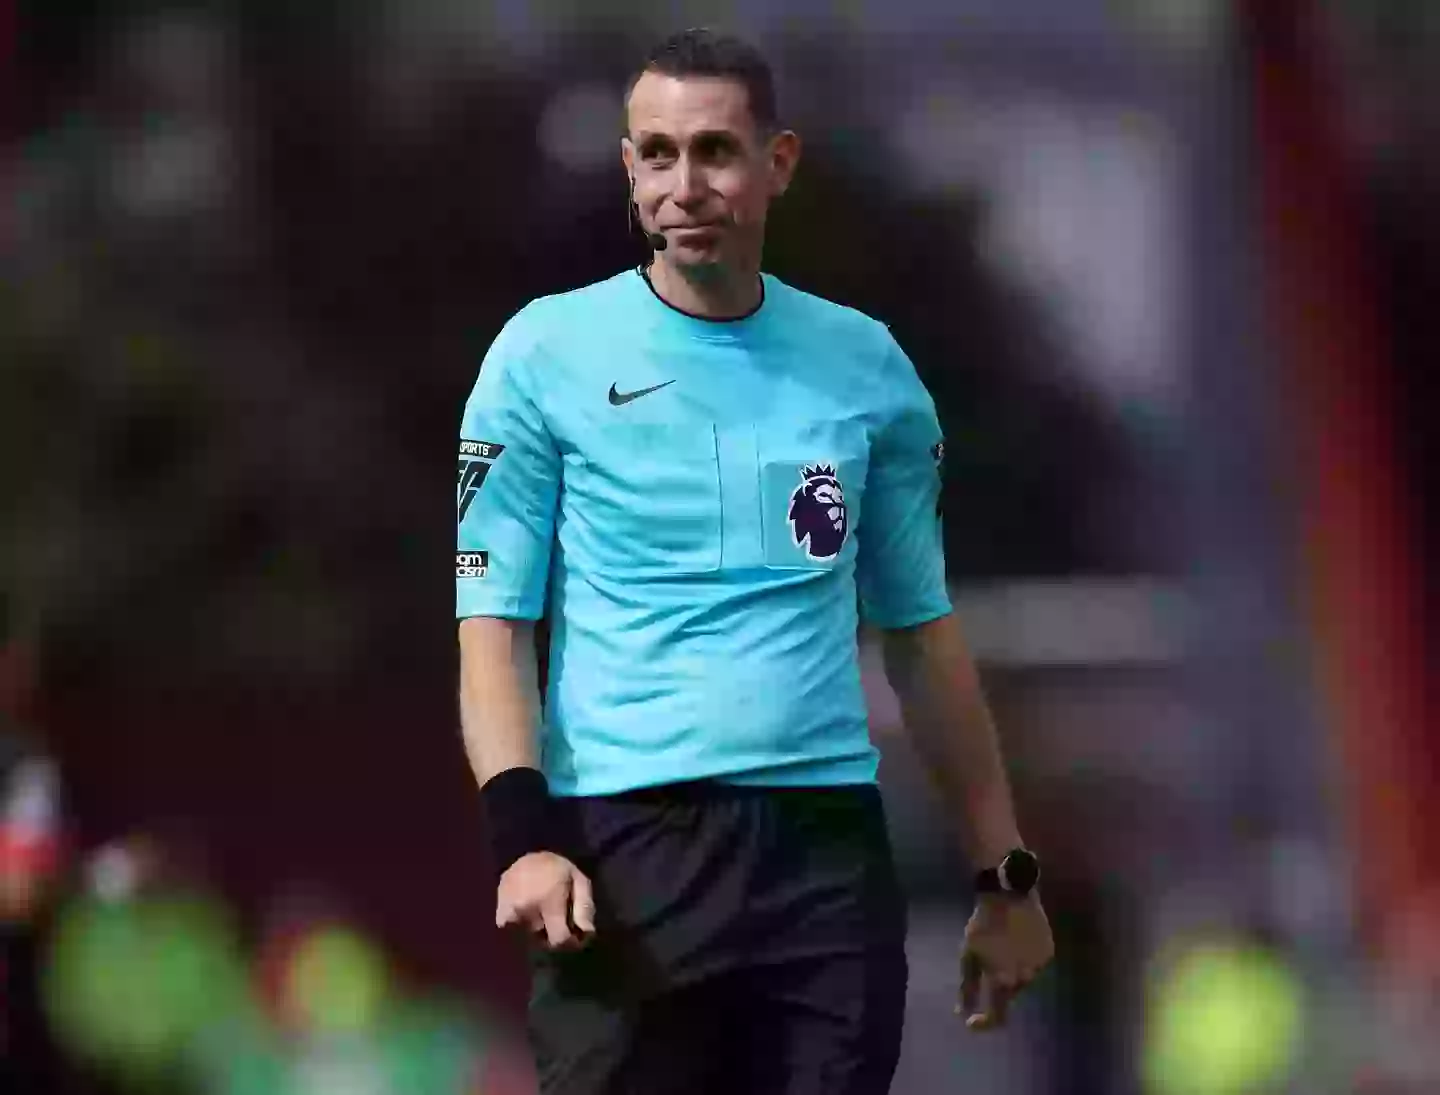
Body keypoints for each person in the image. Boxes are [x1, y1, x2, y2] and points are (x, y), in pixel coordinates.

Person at [456, 27, 1054, 1094]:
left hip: (821, 851)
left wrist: (1004, 875)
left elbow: (923, 636)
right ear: (631, 171)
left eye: (716, 151)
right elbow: (494, 625)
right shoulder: (541, 359)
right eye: (657, 153)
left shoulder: (865, 368)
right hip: (624, 848)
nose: (685, 183)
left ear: (777, 162)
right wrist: (522, 839)